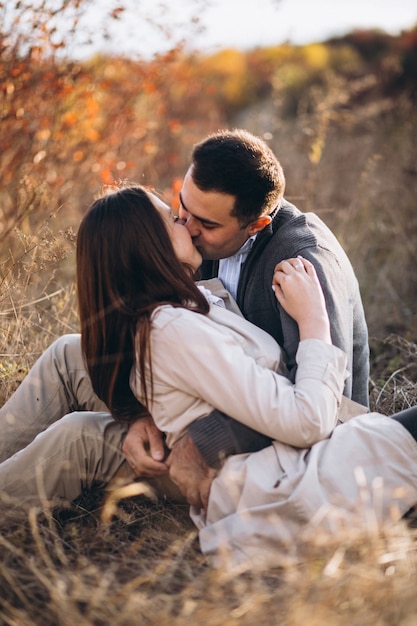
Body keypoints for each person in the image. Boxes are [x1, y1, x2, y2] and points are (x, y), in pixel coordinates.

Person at [0, 185, 415, 572]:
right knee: (71, 395)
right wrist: (314, 322)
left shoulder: (174, 307)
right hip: (274, 470)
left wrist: (154, 413)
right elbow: (306, 421)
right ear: (151, 246)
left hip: (265, 445)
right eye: (173, 218)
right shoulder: (173, 326)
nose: (187, 222)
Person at [124, 128, 370, 481]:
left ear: (256, 225)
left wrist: (207, 442)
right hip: (218, 397)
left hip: (293, 453)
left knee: (77, 438)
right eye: (183, 205)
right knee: (67, 357)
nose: (186, 227)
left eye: (206, 223)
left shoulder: (303, 264)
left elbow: (330, 404)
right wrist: (138, 412)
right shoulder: (198, 240)